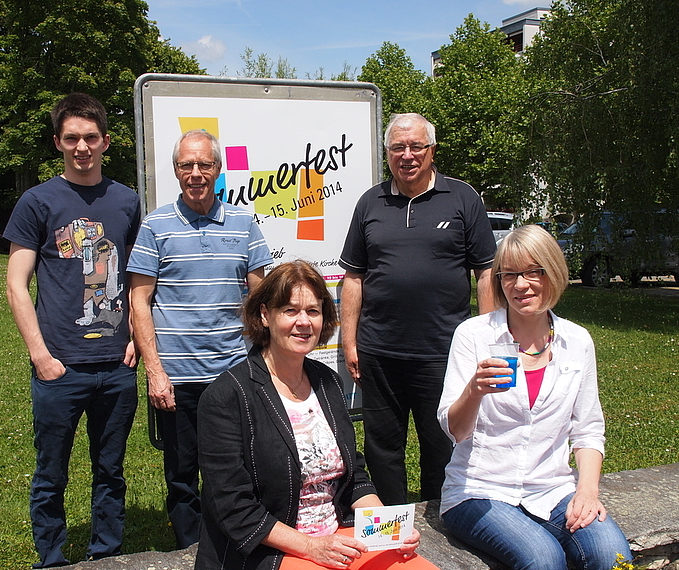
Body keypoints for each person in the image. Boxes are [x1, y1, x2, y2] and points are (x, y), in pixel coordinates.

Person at [195, 260, 438, 570]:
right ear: (265, 315)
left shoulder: (327, 382)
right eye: (290, 310)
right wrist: (313, 547)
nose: (304, 321)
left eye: (313, 311)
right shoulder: (226, 396)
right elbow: (234, 509)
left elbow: (354, 476)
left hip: (339, 536)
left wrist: (390, 529)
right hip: (270, 550)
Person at [437, 225, 632, 570]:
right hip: (479, 490)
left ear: (553, 274)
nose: (521, 285)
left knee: (611, 555)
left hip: (551, 489)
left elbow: (587, 429)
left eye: (533, 272)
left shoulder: (577, 341)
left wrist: (587, 492)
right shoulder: (474, 335)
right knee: (543, 558)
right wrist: (474, 391)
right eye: (509, 275)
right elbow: (455, 431)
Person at [4, 93, 141, 568]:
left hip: (116, 366)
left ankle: (107, 555)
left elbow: (140, 282)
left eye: (90, 137)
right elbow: (16, 285)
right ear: (58, 143)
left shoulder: (127, 201)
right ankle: (53, 558)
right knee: (51, 473)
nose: (81, 147)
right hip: (59, 367)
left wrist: (136, 343)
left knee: (110, 471)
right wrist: (40, 355)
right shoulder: (37, 201)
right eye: (71, 138)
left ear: (105, 141)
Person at [339, 113, 496, 504]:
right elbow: (354, 277)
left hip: (444, 351)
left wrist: (487, 337)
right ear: (387, 153)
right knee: (382, 447)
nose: (407, 155)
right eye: (397, 148)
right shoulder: (369, 202)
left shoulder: (462, 198)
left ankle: (443, 519)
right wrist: (349, 342)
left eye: (416, 147)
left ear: (431, 150)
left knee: (441, 443)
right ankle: (392, 523)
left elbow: (486, 273)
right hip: (379, 351)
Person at [128, 129, 272, 548]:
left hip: (234, 375)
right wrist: (155, 372)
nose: (196, 173)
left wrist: (263, 365)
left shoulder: (245, 223)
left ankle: (235, 542)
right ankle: (189, 550)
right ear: (175, 171)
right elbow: (140, 301)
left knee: (239, 468)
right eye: (186, 165)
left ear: (218, 169)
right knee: (182, 473)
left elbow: (260, 298)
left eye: (204, 164)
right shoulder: (155, 225)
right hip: (178, 377)